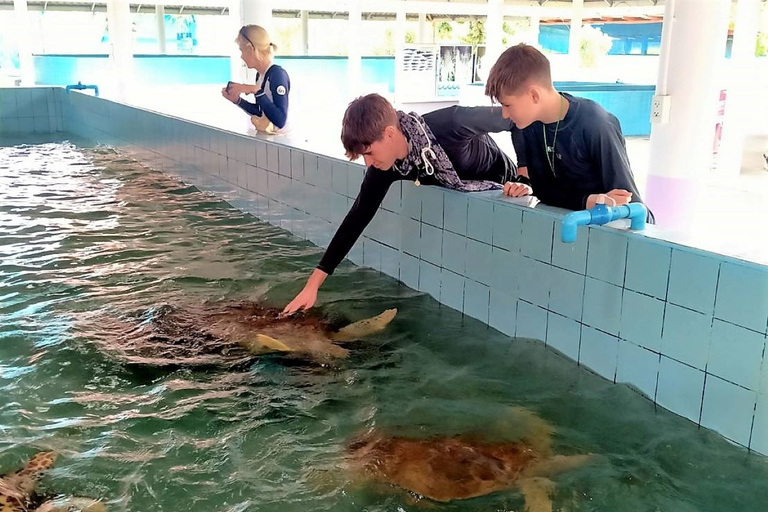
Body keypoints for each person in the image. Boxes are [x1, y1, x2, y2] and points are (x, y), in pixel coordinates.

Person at [282, 93, 520, 315]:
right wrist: (312, 286)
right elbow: (357, 218)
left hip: (510, 187)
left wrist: (525, 176)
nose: (368, 164)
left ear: (389, 134)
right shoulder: (387, 166)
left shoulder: (450, 123)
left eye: (369, 153)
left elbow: (516, 117)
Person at [485, 43, 650, 215]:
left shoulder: (595, 124)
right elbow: (543, 191)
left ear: (534, 95)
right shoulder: (526, 126)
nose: (504, 114)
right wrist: (588, 201)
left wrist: (598, 202)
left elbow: (629, 203)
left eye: (507, 105)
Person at [222, 25, 290, 133]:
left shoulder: (277, 75)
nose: (241, 56)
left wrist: (256, 91)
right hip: (272, 140)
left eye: (242, 50)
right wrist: (237, 100)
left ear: (251, 49)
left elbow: (280, 120)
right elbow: (261, 112)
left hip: (285, 143)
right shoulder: (260, 76)